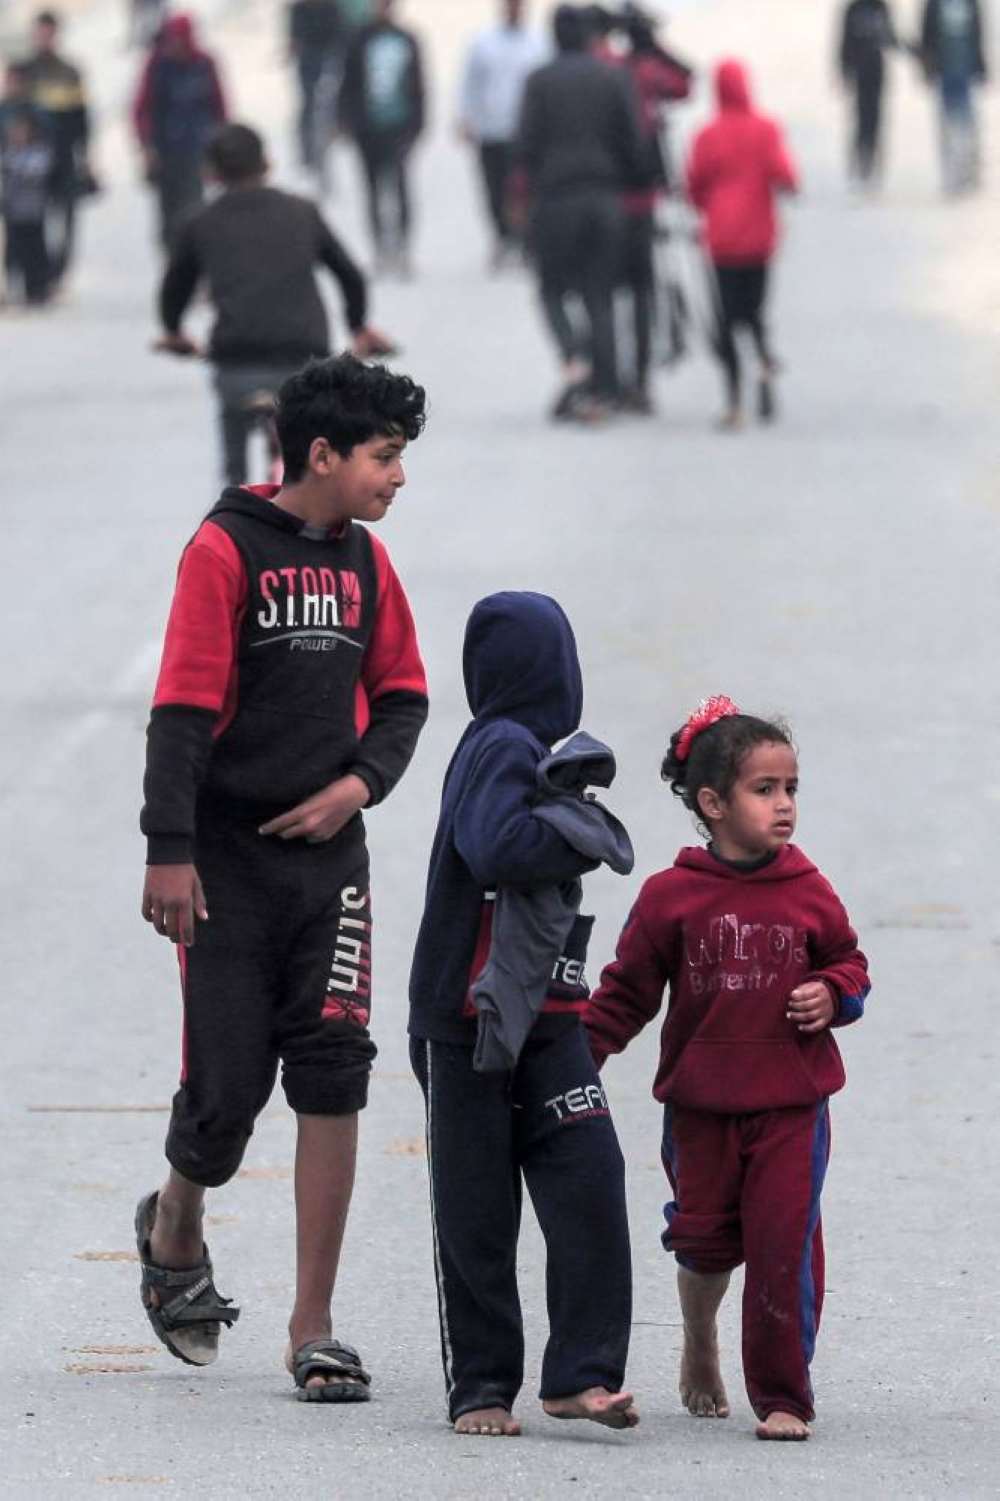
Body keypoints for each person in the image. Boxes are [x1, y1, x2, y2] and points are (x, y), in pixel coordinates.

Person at [136, 352, 429, 1402]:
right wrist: (168, 849)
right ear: (322, 454)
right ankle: (175, 1216)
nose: (399, 477)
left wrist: (358, 786)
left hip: (329, 868)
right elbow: (179, 711)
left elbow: (401, 698)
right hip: (222, 863)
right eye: (385, 458)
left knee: (334, 1064)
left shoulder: (367, 566)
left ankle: (315, 1324)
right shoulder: (223, 553)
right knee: (225, 1092)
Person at [586, 696, 870, 1442]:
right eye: (764, 789)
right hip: (701, 1108)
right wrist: (574, 1060)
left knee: (782, 1246)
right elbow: (625, 993)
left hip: (791, 1107)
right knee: (705, 1243)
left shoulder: (808, 887)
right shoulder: (671, 897)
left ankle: (784, 1395)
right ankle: (700, 1336)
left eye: (791, 788)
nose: (784, 805)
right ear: (712, 802)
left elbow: (851, 963)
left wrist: (832, 993)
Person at [408, 590, 639, 1438]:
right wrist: (579, 830)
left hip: (550, 1016)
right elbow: (495, 845)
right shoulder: (498, 744)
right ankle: (481, 1384)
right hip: (462, 1022)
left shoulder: (532, 750)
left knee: (589, 1177)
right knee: (476, 1211)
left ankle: (580, 1373)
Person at [157, 122, 394, 487]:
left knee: (234, 446)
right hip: (304, 361)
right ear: (267, 165)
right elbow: (349, 275)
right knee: (309, 460)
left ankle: (234, 503)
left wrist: (174, 332)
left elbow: (174, 291)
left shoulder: (199, 222)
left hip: (236, 361)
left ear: (211, 173)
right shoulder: (303, 212)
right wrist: (358, 325)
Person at [515, 4, 645, 422]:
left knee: (551, 289)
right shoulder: (614, 78)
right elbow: (635, 143)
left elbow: (524, 147)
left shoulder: (539, 82)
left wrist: (519, 201)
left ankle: (574, 359)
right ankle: (606, 389)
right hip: (605, 200)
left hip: (555, 200)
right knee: (600, 296)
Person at [685, 58, 798, 430]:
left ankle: (734, 402)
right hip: (759, 238)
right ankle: (764, 362)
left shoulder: (707, 135)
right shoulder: (766, 129)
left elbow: (695, 186)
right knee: (755, 312)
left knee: (727, 319)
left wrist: (704, 205)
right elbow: (784, 174)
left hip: (721, 239)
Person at [456, 0, 548, 269]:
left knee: (526, 190)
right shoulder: (483, 42)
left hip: (527, 132)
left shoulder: (538, 44)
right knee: (494, 189)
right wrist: (466, 118)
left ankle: (527, 242)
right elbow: (469, 83)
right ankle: (503, 237)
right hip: (492, 129)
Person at [338, 0, 425, 274]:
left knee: (400, 187)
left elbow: (420, 85)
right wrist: (345, 121)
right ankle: (379, 248)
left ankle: (402, 247)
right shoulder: (358, 40)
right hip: (367, 128)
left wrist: (418, 125)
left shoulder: (407, 39)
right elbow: (348, 83)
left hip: (398, 127)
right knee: (372, 189)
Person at [132, 12, 227, 249]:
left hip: (197, 149)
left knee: (194, 205)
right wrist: (146, 146)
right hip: (165, 150)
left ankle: (192, 258)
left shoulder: (205, 64)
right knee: (168, 208)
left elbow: (219, 107)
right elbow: (142, 108)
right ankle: (173, 259)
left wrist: (221, 146)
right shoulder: (157, 65)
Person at [18, 9, 94, 284]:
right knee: (32, 218)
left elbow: (82, 118)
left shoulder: (70, 72)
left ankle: (58, 273)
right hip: (32, 158)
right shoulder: (25, 71)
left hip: (63, 155)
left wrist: (86, 155)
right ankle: (38, 274)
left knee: (67, 217)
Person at [919, 0, 988, 194]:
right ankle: (951, 173)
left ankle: (969, 171)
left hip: (965, 70)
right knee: (948, 125)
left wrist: (981, 65)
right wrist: (927, 66)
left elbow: (978, 34)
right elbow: (927, 35)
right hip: (944, 71)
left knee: (968, 126)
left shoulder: (971, 4)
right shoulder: (933, 5)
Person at [837, 0, 898, 187]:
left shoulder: (881, 7)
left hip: (876, 72)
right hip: (858, 71)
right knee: (860, 118)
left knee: (876, 119)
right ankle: (859, 161)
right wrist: (844, 70)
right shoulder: (853, 9)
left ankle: (872, 162)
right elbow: (844, 41)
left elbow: (890, 38)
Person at [1, 100, 54, 305]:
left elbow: (38, 170)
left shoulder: (38, 152)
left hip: (34, 213)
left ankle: (37, 290)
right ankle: (13, 290)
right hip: (13, 214)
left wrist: (12, 166)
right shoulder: (7, 152)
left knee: (36, 254)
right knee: (12, 254)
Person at [287, 0, 348, 176]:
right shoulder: (299, 9)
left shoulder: (333, 7)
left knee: (332, 99)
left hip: (328, 59)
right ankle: (306, 150)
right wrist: (296, 49)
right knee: (307, 104)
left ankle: (335, 130)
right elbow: (295, 35)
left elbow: (340, 36)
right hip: (307, 62)